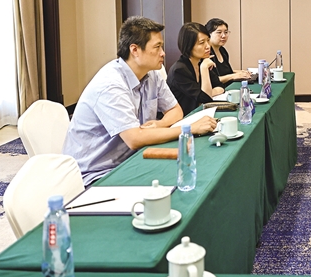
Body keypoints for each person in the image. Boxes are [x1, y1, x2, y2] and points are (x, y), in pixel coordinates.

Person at [62, 16, 218, 185]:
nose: (163, 53)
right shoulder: (110, 85)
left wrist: (159, 124)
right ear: (135, 50)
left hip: (133, 159)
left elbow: (175, 111)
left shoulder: (152, 75)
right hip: (97, 174)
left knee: (195, 172)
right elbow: (135, 138)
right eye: (157, 47)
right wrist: (190, 128)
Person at [167, 22, 225, 116]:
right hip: (183, 119)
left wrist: (209, 93)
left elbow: (220, 86)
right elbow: (206, 99)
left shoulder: (201, 62)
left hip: (198, 114)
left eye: (208, 40)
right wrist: (204, 69)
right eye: (202, 43)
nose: (208, 46)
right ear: (189, 46)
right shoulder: (179, 70)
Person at [204, 18, 250, 87]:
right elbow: (212, 80)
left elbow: (224, 71)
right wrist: (233, 76)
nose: (223, 36)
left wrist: (240, 72)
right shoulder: (206, 53)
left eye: (226, 32)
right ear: (209, 34)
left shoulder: (223, 51)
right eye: (219, 32)